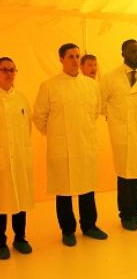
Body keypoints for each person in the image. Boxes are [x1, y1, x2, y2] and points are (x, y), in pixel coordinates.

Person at [33, 43, 107, 247]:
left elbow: (95, 111)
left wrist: (80, 133)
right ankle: (67, 230)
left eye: (77, 56)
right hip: (62, 147)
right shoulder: (49, 86)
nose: (75, 60)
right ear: (61, 59)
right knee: (64, 191)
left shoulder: (92, 86)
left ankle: (90, 225)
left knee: (87, 188)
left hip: (85, 144)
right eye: (71, 56)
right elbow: (39, 116)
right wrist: (58, 134)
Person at [101, 39, 137, 231]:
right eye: (133, 52)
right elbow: (101, 103)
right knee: (125, 176)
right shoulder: (110, 78)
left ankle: (136, 213)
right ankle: (126, 215)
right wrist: (115, 119)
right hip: (122, 134)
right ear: (123, 53)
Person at [0, 57, 34, 259]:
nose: (9, 73)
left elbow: (27, 128)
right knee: (1, 201)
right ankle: (0, 242)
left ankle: (20, 238)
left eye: (12, 69)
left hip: (19, 157)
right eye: (4, 69)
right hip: (2, 158)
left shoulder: (21, 99)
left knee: (20, 199)